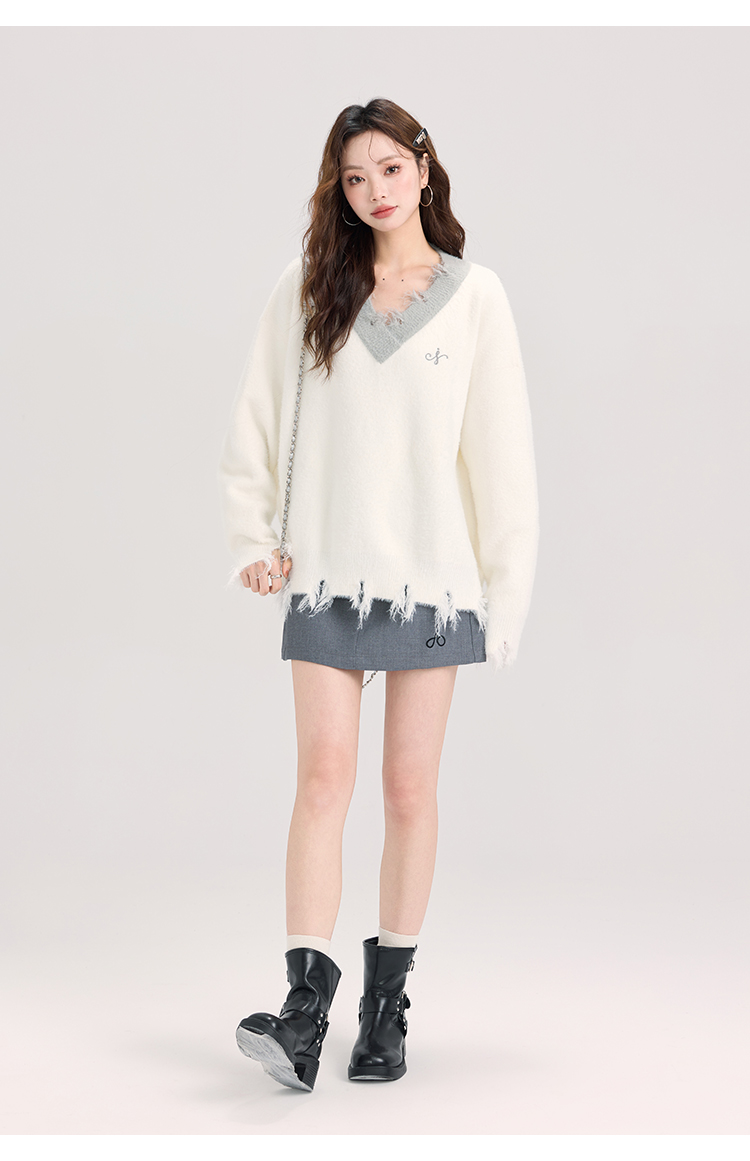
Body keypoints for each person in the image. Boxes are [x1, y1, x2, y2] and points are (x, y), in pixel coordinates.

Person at [217, 98, 539, 1092]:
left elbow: (502, 458)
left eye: (390, 170)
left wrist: (505, 596)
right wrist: (253, 539)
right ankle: (303, 1013)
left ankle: (385, 1010)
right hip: (326, 574)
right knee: (322, 780)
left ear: (424, 168)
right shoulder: (309, 284)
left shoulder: (476, 298)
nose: (375, 192)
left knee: (408, 791)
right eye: (355, 178)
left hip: (433, 585)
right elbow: (258, 415)